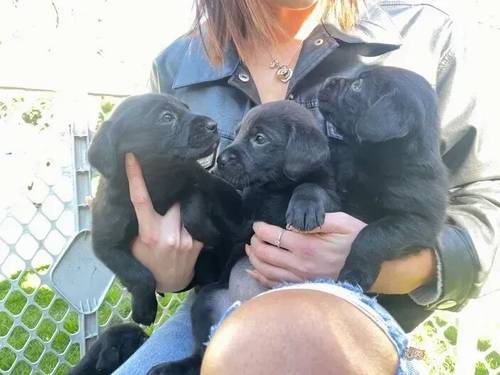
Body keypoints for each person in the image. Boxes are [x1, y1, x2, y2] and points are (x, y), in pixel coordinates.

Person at [114, 0, 499, 373]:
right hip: (226, 302)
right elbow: (155, 208)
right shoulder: (178, 65)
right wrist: (165, 268)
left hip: (355, 319)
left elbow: (488, 197)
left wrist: (386, 267)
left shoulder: (426, 36)